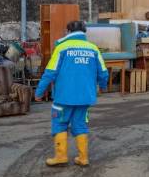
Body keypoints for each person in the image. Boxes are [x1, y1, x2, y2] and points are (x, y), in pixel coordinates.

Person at [35, 21, 108, 167]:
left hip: (64, 97)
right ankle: (83, 158)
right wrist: (103, 86)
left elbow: (50, 72)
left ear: (68, 31)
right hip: (85, 98)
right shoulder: (93, 48)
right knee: (80, 125)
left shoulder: (62, 47)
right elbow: (103, 73)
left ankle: (61, 157)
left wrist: (39, 92)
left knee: (60, 124)